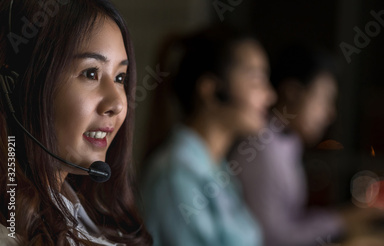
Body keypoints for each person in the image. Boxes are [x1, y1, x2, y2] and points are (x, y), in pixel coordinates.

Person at [0, 0, 152, 245]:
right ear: (16, 87)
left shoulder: (76, 212)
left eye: (120, 77)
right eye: (91, 73)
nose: (118, 104)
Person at [140, 27, 276, 246]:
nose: (270, 95)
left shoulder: (216, 168)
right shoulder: (177, 174)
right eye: (256, 79)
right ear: (210, 90)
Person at [229, 44, 344, 246]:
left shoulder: (288, 142)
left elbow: (289, 222)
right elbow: (273, 238)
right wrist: (342, 222)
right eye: (323, 99)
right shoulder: (262, 148)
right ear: (292, 92)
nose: (329, 113)